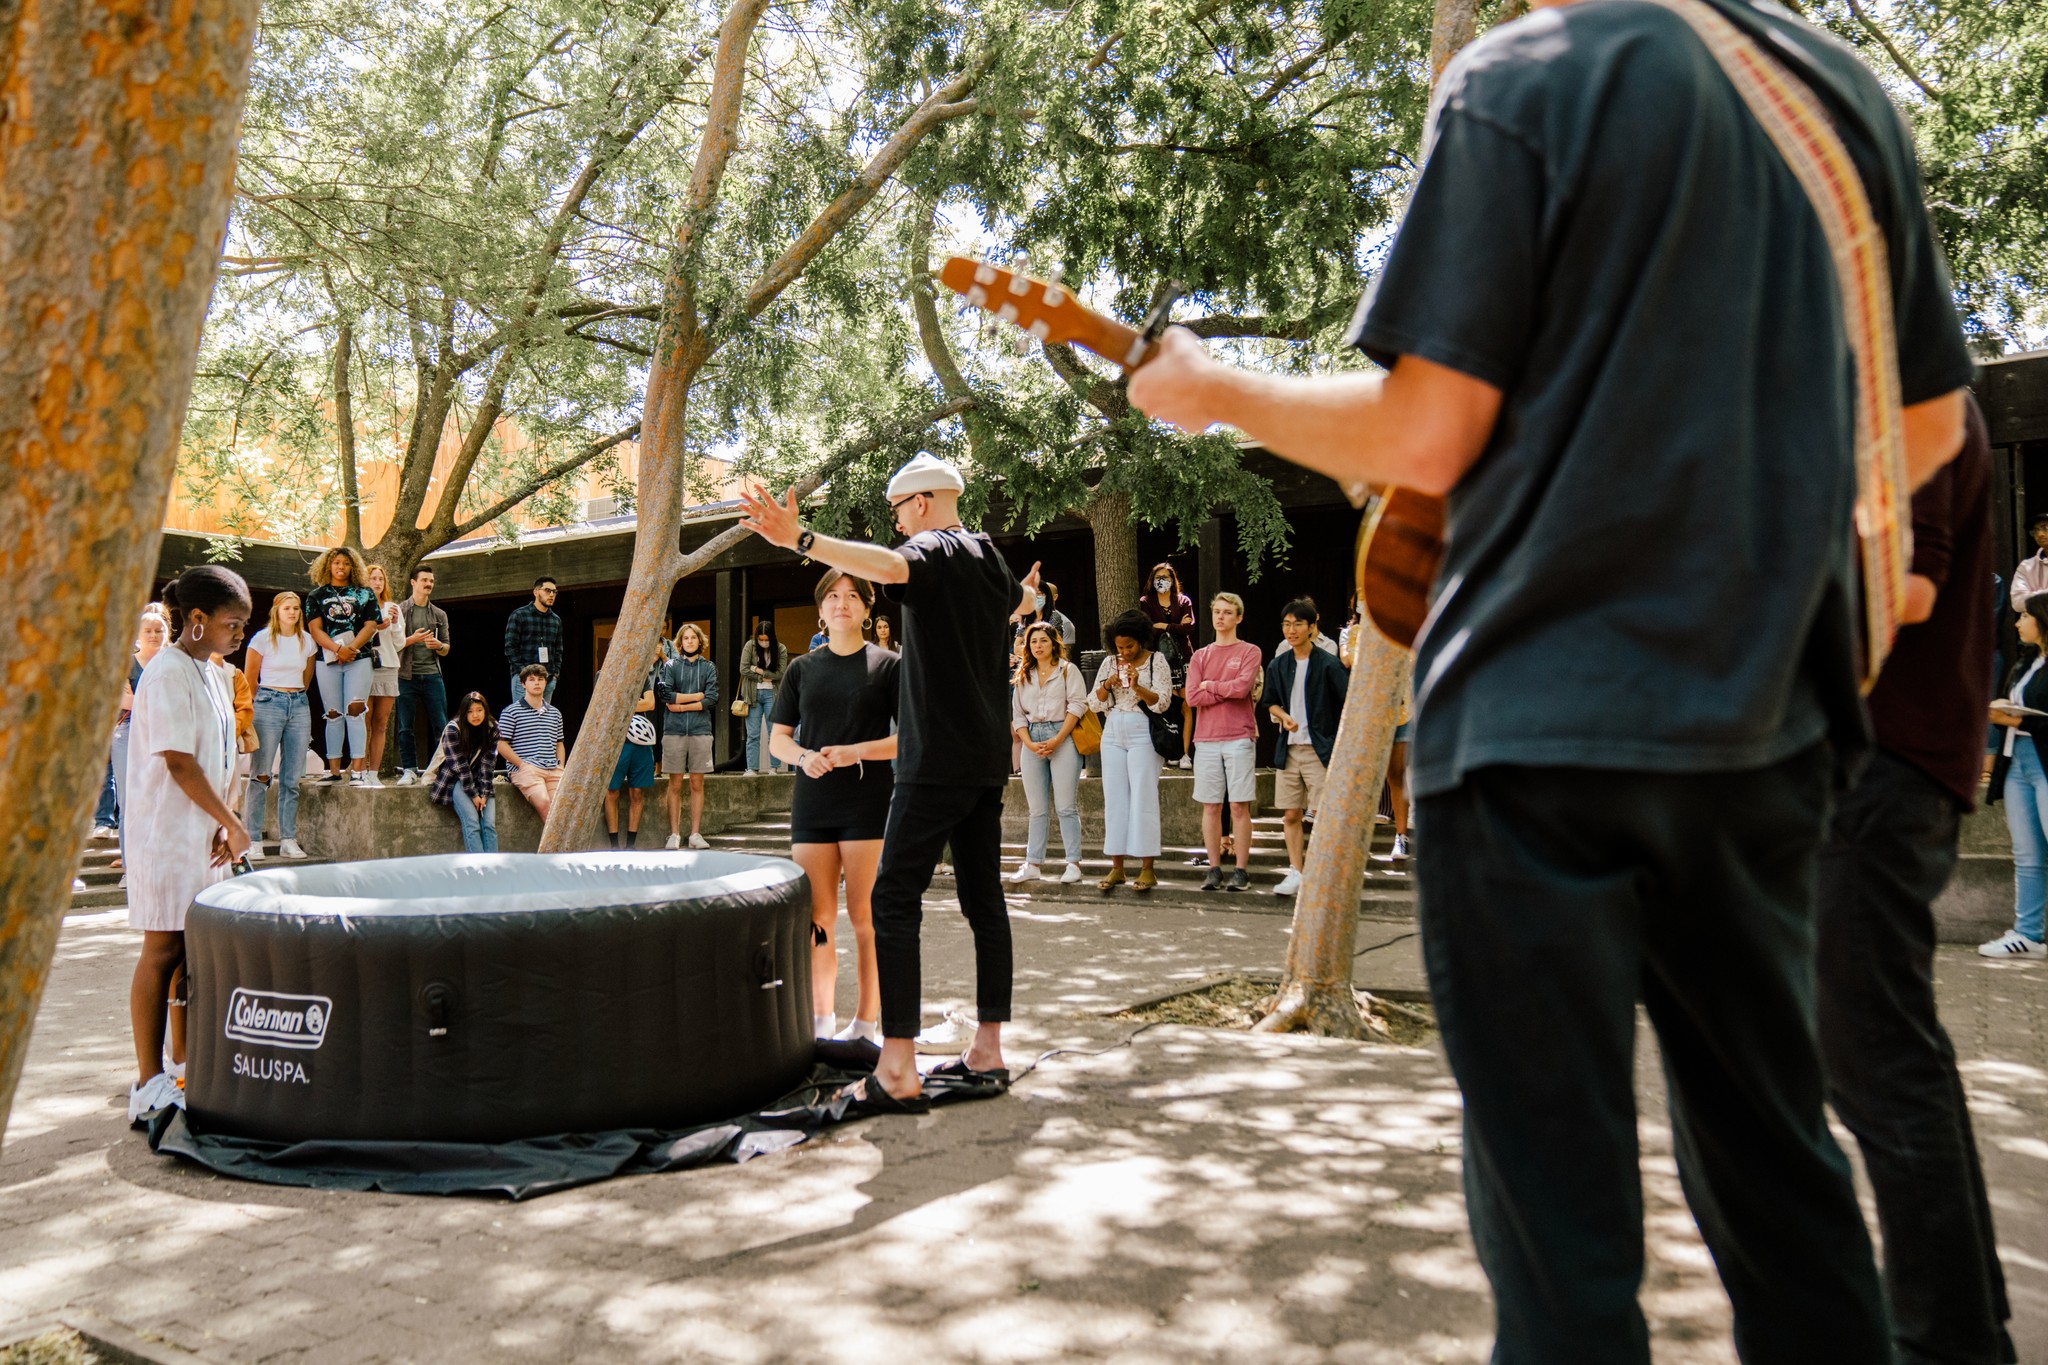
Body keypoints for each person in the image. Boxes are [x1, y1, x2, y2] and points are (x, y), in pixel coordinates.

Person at [1127, 0, 1973, 1349]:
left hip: (1535, 738)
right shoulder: (1840, 98)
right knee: (1783, 1183)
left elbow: (1427, 425)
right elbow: (1928, 416)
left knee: (1561, 1243)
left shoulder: (1522, 76)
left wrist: (1217, 388)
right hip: (1764, 734)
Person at [738, 451, 1039, 1112]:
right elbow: (1028, 598)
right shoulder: (992, 557)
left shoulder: (929, 547)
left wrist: (802, 540)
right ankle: (988, 1048)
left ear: (922, 503)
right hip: (988, 760)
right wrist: (1032, 596)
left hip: (933, 762)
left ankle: (897, 1066)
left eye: (900, 511)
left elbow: (892, 564)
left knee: (891, 900)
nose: (899, 523)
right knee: (984, 898)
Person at [1818, 396, 2016, 1362]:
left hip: (1880, 769)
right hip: (1892, 765)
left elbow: (1901, 582)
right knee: (1889, 1056)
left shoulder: (1907, 384)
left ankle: (1948, 1341)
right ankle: (1966, 1322)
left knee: (1877, 1062)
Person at [124, 565, 252, 1123]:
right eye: (232, 623)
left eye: (245, 626)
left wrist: (226, 821)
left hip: (205, 835)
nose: (239, 634)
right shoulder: (167, 672)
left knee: (192, 955)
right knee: (163, 950)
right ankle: (147, 1082)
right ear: (196, 620)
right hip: (167, 835)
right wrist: (232, 820)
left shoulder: (213, 672)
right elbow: (179, 760)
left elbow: (221, 755)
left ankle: (184, 1066)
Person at [769, 570, 901, 1041]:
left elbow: (909, 739)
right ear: (820, 610)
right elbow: (778, 740)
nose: (841, 604)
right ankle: (819, 1023)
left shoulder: (888, 666)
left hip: (868, 800)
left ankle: (866, 1025)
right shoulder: (801, 668)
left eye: (852, 597)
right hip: (814, 802)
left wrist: (856, 752)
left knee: (866, 918)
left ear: (867, 609)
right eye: (832, 597)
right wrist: (805, 757)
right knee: (816, 919)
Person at [1263, 598, 1346, 897]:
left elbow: (1346, 702)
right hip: (1289, 749)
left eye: (1298, 623)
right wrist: (1283, 716)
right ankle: (1296, 871)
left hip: (1319, 749)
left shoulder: (1328, 663)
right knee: (1290, 815)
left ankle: (1325, 872)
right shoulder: (1278, 663)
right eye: (1286, 623)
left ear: (1312, 627)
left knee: (1326, 815)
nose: (1291, 629)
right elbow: (1269, 701)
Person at [1090, 609, 1174, 893]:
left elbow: (1162, 702)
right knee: (1114, 799)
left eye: (1129, 646)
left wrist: (1137, 685)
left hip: (1142, 730)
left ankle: (1147, 868)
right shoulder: (1109, 663)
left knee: (1143, 796)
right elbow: (1094, 703)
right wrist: (1106, 685)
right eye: (1119, 647)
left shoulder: (1156, 661)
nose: (1123, 652)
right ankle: (1117, 867)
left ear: (1141, 640)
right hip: (1113, 729)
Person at [1985, 591, 2048, 961]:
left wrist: (2020, 718)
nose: (2017, 622)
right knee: (2026, 854)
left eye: (2024, 617)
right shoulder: (2026, 662)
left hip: (2043, 759)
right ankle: (2028, 934)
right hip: (2018, 760)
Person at [1186, 593, 1263, 892]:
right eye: (1216, 612)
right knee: (1210, 806)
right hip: (1205, 738)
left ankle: (1241, 870)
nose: (1220, 617)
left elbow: (1243, 688)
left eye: (1227, 613)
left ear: (1238, 617)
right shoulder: (1200, 656)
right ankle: (1214, 868)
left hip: (1239, 736)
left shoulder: (1249, 651)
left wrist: (1211, 686)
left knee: (1240, 805)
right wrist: (1224, 690)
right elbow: (1193, 697)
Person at [1008, 621, 1087, 884]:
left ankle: (1073, 863)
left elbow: (1077, 706)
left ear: (1054, 643)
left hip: (1062, 737)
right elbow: (1017, 715)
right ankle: (1033, 863)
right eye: (1033, 641)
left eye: (1043, 640)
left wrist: (1058, 738)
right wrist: (1029, 744)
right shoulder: (1024, 674)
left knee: (1066, 806)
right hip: (1032, 738)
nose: (1038, 646)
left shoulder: (1068, 670)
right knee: (1037, 809)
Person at [241, 593, 315, 860]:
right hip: (268, 702)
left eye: (296, 608)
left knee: (292, 778)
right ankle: (252, 839)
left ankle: (288, 838)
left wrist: (294, 696)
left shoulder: (306, 640)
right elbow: (249, 679)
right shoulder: (261, 639)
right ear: (277, 611)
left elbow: (307, 677)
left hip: (298, 703)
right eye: (287, 608)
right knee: (260, 774)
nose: (292, 612)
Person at [305, 546, 380, 785]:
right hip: (327, 660)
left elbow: (371, 626)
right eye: (336, 562)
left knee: (356, 712)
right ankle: (334, 770)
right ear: (328, 565)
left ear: (353, 566)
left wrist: (351, 649)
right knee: (333, 714)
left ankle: (357, 771)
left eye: (346, 563)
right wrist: (338, 649)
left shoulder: (365, 593)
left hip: (359, 658)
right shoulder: (316, 596)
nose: (341, 567)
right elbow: (315, 629)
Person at [656, 623, 719, 848]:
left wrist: (682, 706)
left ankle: (694, 834)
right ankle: (674, 834)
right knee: (674, 784)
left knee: (696, 783)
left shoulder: (709, 667)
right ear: (680, 643)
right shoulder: (670, 666)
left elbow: (711, 698)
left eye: (694, 638)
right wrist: (696, 697)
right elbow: (667, 696)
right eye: (686, 638)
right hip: (674, 730)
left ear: (699, 641)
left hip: (701, 730)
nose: (690, 641)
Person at [392, 565, 451, 785]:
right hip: (405, 675)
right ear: (413, 582)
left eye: (431, 581)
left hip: (432, 674)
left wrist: (438, 645)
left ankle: (441, 769)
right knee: (406, 726)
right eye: (424, 580)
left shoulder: (439, 614)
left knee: (441, 725)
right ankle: (409, 769)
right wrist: (412, 639)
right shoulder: (400, 611)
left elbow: (446, 649)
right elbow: (392, 645)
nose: (429, 584)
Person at [1139, 562, 1197, 767]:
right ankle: (1171, 751)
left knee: (1187, 705)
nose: (1162, 580)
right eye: (1158, 577)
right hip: (1161, 660)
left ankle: (1185, 753)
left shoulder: (1183, 601)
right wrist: (1176, 626)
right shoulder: (1146, 601)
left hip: (1184, 658)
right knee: (1170, 706)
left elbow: (1188, 628)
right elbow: (1147, 628)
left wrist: (1164, 625)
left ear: (1173, 580)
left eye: (1166, 576)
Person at [430, 692, 501, 853]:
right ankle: (478, 871)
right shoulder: (453, 729)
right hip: (456, 779)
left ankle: (494, 869)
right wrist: (474, 796)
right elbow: (460, 767)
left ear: (485, 710)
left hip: (481, 779)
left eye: (479, 710)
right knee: (472, 822)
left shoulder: (493, 728)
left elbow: (488, 764)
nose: (475, 715)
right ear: (463, 713)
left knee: (489, 824)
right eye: (470, 711)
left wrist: (484, 794)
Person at [498, 665, 566, 819]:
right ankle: (557, 844)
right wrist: (522, 765)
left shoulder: (555, 713)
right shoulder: (511, 711)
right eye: (532, 680)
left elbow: (559, 743)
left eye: (540, 679)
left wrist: (560, 765)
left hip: (552, 767)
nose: (537, 683)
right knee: (543, 802)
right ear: (523, 684)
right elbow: (501, 744)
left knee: (561, 807)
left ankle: (558, 843)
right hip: (526, 768)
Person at [361, 563, 403, 786]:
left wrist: (394, 625)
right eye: (372, 578)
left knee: (381, 723)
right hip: (363, 666)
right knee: (363, 721)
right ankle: (359, 769)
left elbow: (399, 643)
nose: (377, 582)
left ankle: (374, 773)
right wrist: (374, 627)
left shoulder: (392, 606)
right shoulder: (358, 606)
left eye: (380, 579)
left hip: (387, 666)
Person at [606, 678, 659, 851]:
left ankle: (630, 845)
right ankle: (614, 845)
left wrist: (622, 704)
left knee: (637, 791)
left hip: (641, 739)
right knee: (611, 790)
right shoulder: (604, 674)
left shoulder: (641, 676)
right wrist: (636, 703)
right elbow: (607, 706)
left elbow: (650, 703)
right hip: (615, 741)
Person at [503, 576, 563, 704]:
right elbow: (510, 648)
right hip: (523, 679)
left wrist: (555, 675)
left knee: (543, 719)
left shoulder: (555, 620)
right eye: (547, 590)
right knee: (522, 719)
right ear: (536, 592)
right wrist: (524, 673)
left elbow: (559, 650)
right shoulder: (519, 615)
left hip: (547, 679)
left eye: (554, 592)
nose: (551, 595)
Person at [738, 625, 788, 773]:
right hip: (753, 694)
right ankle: (752, 768)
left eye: (767, 640)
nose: (764, 642)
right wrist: (762, 677)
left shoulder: (781, 649)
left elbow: (780, 673)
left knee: (774, 732)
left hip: (772, 694)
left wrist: (758, 669)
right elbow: (743, 669)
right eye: (761, 639)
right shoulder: (750, 646)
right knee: (753, 734)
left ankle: (774, 767)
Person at [2009, 513, 2048, 610]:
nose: (2040, 534)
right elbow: (2017, 603)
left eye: (2045, 527)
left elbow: (2025, 601)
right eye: (2035, 530)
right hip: (2036, 625)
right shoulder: (2026, 566)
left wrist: (2031, 595)